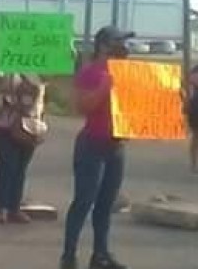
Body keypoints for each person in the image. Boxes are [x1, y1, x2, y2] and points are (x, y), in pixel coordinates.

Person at [60, 26, 132, 269]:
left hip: (116, 146)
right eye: (120, 42)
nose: (125, 47)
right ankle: (68, 255)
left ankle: (100, 255)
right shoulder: (90, 73)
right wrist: (105, 87)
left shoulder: (129, 73)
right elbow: (82, 107)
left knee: (105, 204)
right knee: (84, 201)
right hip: (92, 146)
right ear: (104, 46)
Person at [0, 73, 46, 224]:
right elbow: (3, 92)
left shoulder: (39, 74)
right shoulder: (10, 70)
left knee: (20, 168)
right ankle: (1, 208)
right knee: (9, 164)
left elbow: (38, 103)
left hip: (29, 127)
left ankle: (13, 208)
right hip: (2, 126)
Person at [186, 64, 198, 173]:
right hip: (196, 107)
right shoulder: (196, 69)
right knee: (196, 136)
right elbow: (191, 80)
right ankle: (193, 164)